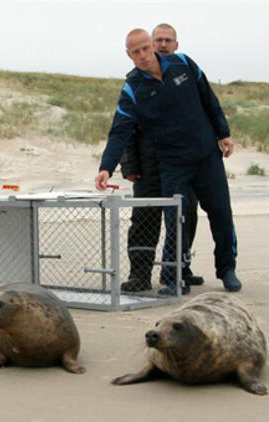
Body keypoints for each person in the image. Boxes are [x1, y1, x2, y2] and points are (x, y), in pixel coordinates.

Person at [95, 28, 242, 294]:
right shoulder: (133, 89)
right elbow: (120, 130)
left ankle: (227, 269)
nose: (142, 55)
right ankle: (176, 279)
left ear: (152, 46)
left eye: (145, 48)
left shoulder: (182, 63)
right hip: (173, 163)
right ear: (129, 55)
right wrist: (106, 167)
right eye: (135, 52)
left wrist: (224, 133)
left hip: (206, 155)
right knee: (178, 219)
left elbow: (209, 99)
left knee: (221, 212)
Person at [119, 23, 203, 294]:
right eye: (158, 41)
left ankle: (177, 271)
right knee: (144, 220)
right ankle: (139, 275)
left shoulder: (183, 75)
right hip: (146, 166)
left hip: (181, 164)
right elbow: (124, 128)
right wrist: (129, 165)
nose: (162, 45)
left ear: (176, 45)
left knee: (184, 216)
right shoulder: (135, 83)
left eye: (168, 41)